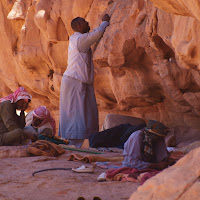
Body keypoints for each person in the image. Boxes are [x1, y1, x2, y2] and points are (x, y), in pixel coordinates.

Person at [59, 14, 110, 148]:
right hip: (74, 80)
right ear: (79, 26)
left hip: (78, 81)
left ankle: (79, 143)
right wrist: (104, 22)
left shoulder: (76, 39)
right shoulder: (79, 39)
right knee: (76, 113)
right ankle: (73, 144)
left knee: (85, 111)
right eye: (85, 22)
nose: (88, 23)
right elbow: (96, 34)